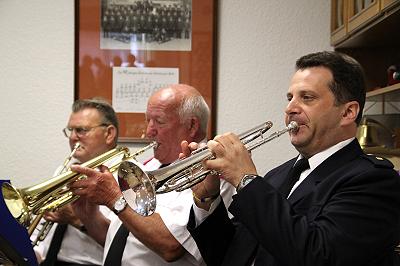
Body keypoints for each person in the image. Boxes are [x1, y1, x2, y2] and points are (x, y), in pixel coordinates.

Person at [183, 51, 400, 266]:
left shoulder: (375, 180)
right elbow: (231, 256)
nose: (290, 109)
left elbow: (319, 256)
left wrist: (246, 179)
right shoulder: (277, 175)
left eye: (307, 97)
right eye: (290, 98)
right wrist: (208, 199)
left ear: (348, 112)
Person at [69, 84, 235, 265]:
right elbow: (123, 241)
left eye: (159, 122)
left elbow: (172, 247)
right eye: (148, 121)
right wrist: (88, 217)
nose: (148, 132)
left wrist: (114, 198)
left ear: (192, 125)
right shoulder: (147, 166)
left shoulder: (214, 176)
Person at [34, 98, 119, 266]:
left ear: (109, 134)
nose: (73, 137)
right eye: (70, 130)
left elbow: (127, 245)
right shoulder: (63, 171)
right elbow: (42, 230)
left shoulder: (125, 176)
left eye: (81, 130)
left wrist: (77, 220)